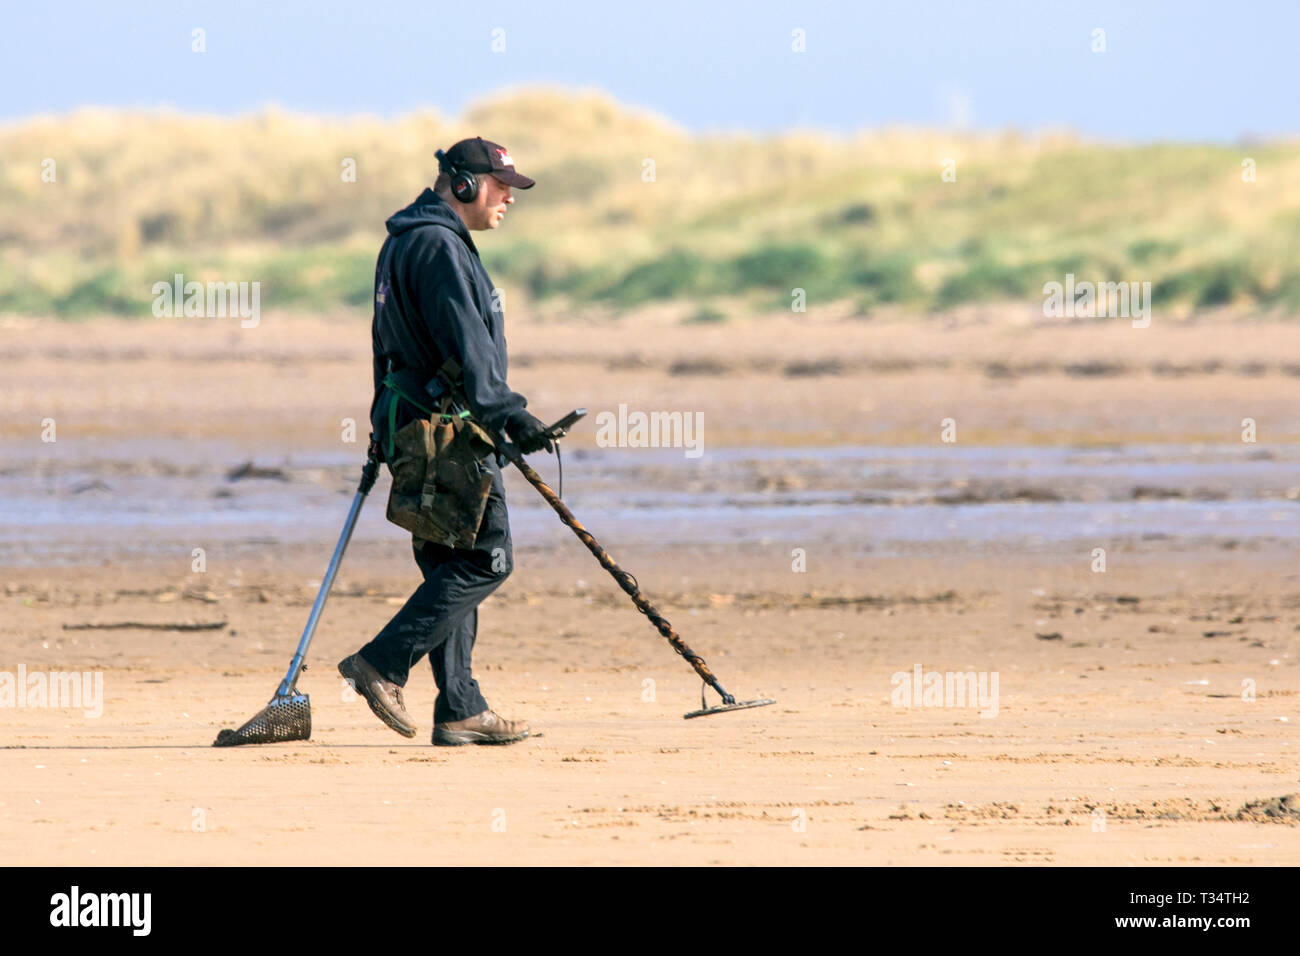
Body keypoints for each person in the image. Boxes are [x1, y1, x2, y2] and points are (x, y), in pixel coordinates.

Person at [338, 137, 553, 746]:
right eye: (500, 185)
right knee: (486, 558)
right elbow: (467, 342)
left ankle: (459, 706)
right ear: (462, 185)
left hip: (413, 424)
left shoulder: (405, 239)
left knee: (449, 562)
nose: (509, 197)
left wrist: (381, 426)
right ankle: (382, 663)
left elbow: (387, 344)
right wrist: (510, 414)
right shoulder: (437, 245)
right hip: (448, 433)